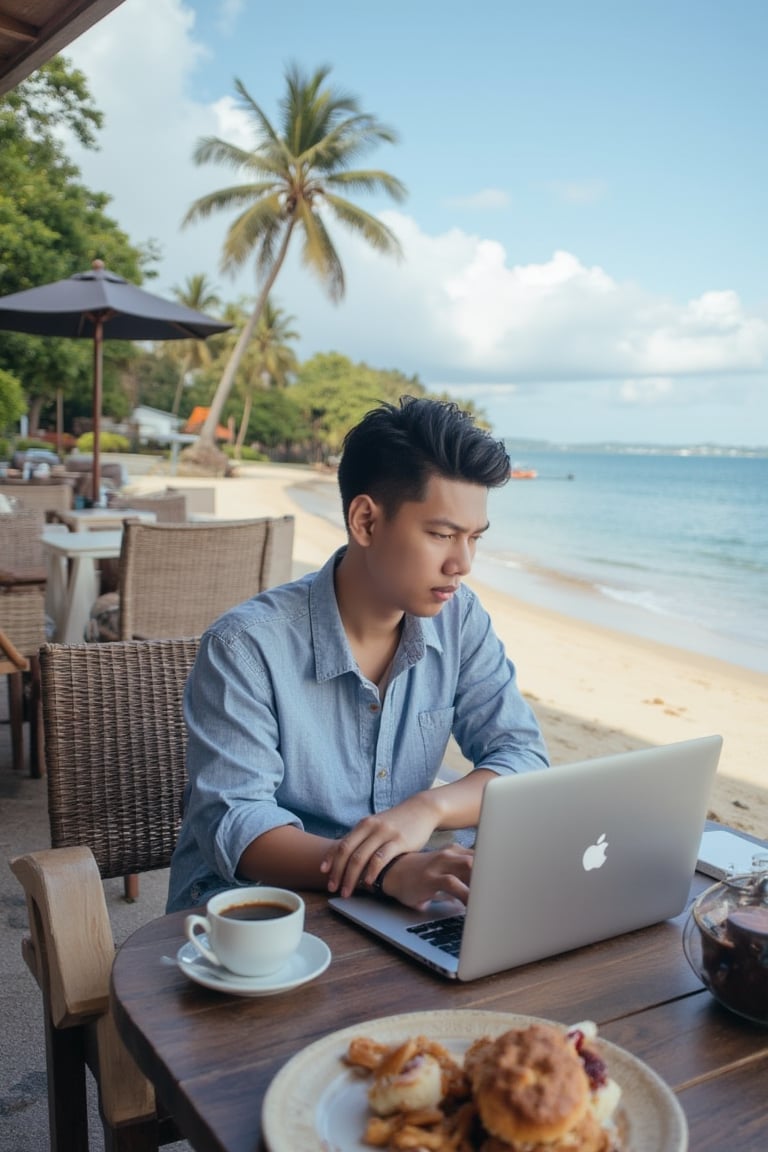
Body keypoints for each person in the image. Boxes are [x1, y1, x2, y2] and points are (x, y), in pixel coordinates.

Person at [167, 396, 549, 914]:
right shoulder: (246, 647)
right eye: (441, 535)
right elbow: (237, 824)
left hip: (397, 900)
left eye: (474, 538)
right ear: (365, 521)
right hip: (255, 911)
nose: (462, 563)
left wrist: (429, 807)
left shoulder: (461, 619)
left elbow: (522, 756)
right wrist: (387, 872)